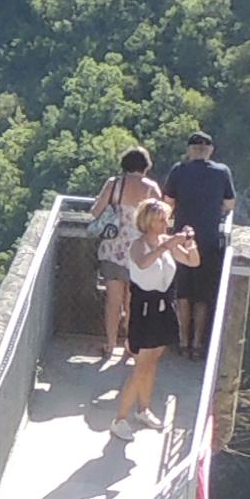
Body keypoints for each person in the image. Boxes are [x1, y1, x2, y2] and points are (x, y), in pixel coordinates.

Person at [113, 200, 194, 435]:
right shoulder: (138, 245)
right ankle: (120, 419)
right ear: (148, 222)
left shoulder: (165, 243)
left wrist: (190, 243)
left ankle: (143, 409)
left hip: (164, 306)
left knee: (153, 362)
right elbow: (142, 262)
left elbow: (193, 260)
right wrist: (166, 245)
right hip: (144, 309)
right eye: (161, 219)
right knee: (141, 366)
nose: (165, 223)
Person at [89, 145, 165, 363]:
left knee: (112, 300)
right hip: (139, 252)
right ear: (146, 166)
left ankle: (110, 344)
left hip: (113, 249)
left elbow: (96, 211)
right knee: (133, 301)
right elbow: (161, 221)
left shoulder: (114, 185)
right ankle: (131, 346)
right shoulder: (151, 189)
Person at [161, 129, 236, 347]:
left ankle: (183, 340)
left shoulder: (179, 170)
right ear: (210, 150)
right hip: (210, 240)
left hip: (182, 239)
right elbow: (230, 204)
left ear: (190, 151)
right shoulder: (222, 172)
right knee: (203, 294)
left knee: (183, 291)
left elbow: (168, 202)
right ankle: (197, 343)